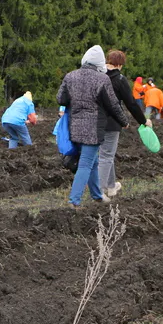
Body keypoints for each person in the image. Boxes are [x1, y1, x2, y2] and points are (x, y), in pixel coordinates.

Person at [57, 45, 129, 207]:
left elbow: (61, 99)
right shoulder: (102, 79)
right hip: (93, 129)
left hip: (74, 127)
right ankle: (74, 201)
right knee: (85, 164)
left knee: (94, 161)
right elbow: (112, 104)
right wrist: (124, 121)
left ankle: (98, 195)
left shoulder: (70, 76)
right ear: (100, 64)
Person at [99, 50, 150, 198]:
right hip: (112, 122)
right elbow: (131, 104)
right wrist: (143, 120)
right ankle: (99, 191)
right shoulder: (120, 79)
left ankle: (111, 186)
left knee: (107, 153)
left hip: (96, 122)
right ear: (120, 64)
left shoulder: (98, 76)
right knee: (106, 155)